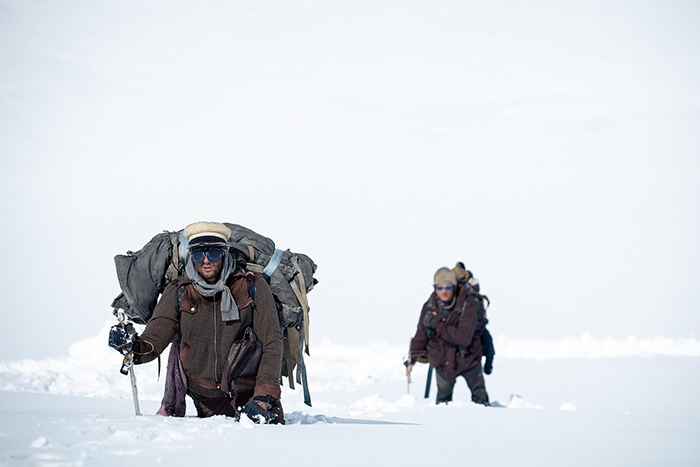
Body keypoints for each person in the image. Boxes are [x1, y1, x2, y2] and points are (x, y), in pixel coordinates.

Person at [109, 221, 285, 423]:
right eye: (199, 254)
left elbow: (272, 342)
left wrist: (263, 398)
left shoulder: (252, 285)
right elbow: (156, 336)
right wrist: (130, 346)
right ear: (191, 255)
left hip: (251, 395)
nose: (206, 260)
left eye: (214, 253)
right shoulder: (179, 290)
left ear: (225, 253)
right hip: (205, 399)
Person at [406, 267, 489, 405]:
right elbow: (421, 333)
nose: (443, 291)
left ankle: (486, 424)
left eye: (448, 287)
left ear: (454, 287)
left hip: (469, 359)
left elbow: (463, 337)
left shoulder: (468, 304)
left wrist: (438, 326)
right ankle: (441, 426)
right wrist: (413, 357)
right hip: (442, 360)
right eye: (439, 287)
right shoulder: (429, 307)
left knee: (480, 398)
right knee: (443, 402)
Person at [452, 262, 495, 375]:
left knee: (489, 348)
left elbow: (476, 287)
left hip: (477, 328)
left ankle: (487, 367)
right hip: (459, 328)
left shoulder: (470, 285)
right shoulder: (454, 287)